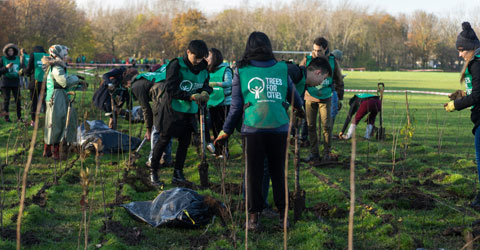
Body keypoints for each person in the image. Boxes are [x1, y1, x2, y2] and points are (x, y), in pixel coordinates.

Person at [213, 31, 307, 230]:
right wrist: (300, 110)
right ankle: (283, 217)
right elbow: (294, 95)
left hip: (253, 128)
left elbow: (236, 107)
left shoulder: (241, 70)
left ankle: (254, 219)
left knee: (253, 174)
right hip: (279, 128)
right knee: (278, 173)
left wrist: (225, 131)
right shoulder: (282, 68)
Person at [149, 40, 212, 186]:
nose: (197, 61)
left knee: (184, 142)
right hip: (172, 109)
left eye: (201, 58)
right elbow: (170, 88)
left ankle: (178, 173)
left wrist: (205, 92)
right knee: (164, 140)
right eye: (195, 57)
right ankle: (154, 172)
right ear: (188, 52)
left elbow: (206, 85)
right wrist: (189, 96)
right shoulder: (176, 64)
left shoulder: (203, 67)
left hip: (190, 111)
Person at [444, 22, 480, 207]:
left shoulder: (476, 63)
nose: (460, 54)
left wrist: (456, 105)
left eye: (461, 50)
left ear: (470, 48)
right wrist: (461, 94)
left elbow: (478, 95)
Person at [300, 37, 344, 163]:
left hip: (326, 97)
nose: (316, 53)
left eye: (319, 51)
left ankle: (326, 153)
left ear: (325, 49)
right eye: (314, 50)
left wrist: (339, 97)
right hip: (310, 97)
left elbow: (338, 79)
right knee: (311, 126)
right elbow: (299, 74)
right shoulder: (307, 60)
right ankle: (314, 153)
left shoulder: (332, 61)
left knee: (327, 126)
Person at [130, 64, 173, 182]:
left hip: (161, 90)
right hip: (168, 88)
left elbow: (146, 109)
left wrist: (148, 129)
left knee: (157, 129)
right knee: (167, 125)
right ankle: (167, 158)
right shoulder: (144, 79)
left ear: (128, 83)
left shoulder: (136, 86)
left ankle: (152, 160)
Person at [42, 45, 85, 159]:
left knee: (55, 123)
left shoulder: (57, 66)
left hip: (58, 96)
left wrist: (76, 81)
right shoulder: (57, 68)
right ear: (57, 55)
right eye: (64, 55)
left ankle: (48, 151)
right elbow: (64, 82)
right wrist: (75, 78)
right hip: (56, 97)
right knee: (56, 124)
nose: (66, 57)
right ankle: (54, 152)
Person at [205, 48, 233, 156]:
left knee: (223, 128)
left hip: (224, 103)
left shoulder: (226, 69)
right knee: (215, 127)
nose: (206, 58)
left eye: (208, 56)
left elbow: (229, 83)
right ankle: (218, 150)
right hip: (212, 102)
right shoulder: (208, 69)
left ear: (215, 57)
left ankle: (224, 151)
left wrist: (215, 84)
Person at [25, 46, 48, 126]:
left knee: (34, 102)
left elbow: (28, 69)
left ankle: (34, 121)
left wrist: (25, 72)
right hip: (45, 83)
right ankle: (47, 119)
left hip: (35, 82)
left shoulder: (33, 55)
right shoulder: (47, 55)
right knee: (46, 102)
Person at [0, 43, 23, 122]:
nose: (10, 52)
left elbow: (22, 69)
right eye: (9, 51)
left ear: (14, 51)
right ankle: (6, 118)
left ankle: (19, 117)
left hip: (15, 82)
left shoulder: (18, 59)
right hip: (6, 82)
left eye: (12, 50)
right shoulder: (2, 59)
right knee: (7, 100)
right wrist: (6, 67)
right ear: (6, 52)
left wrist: (21, 72)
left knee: (18, 100)